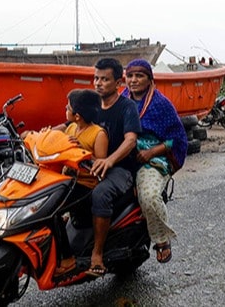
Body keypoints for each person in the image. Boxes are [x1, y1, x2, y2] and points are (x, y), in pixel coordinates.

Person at [122, 59, 187, 264]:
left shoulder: (161, 105)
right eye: (130, 76)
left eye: (139, 76)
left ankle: (161, 240)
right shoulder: (120, 100)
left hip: (153, 160)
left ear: (150, 79)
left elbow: (176, 139)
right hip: (124, 155)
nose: (133, 80)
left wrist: (151, 152)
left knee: (148, 196)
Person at [86, 58, 141, 277]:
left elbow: (131, 140)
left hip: (121, 169)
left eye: (104, 79)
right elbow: (73, 121)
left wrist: (110, 160)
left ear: (118, 83)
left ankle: (97, 253)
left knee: (100, 194)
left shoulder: (127, 107)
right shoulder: (90, 104)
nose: (98, 83)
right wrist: (46, 132)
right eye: (96, 78)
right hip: (92, 165)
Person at [55, 88, 109, 276]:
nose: (65, 108)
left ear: (77, 115)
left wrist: (84, 153)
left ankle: (67, 259)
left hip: (85, 186)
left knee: (52, 211)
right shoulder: (71, 128)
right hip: (68, 181)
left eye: (68, 107)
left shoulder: (98, 134)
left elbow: (100, 164)